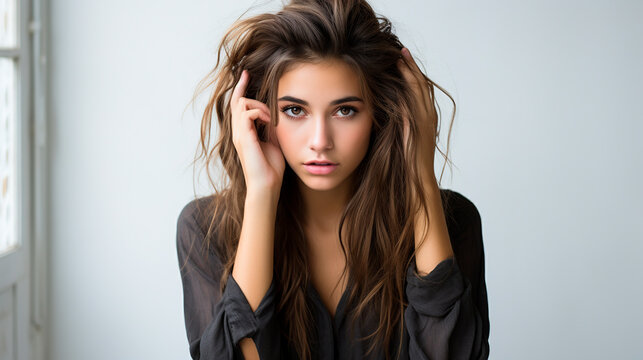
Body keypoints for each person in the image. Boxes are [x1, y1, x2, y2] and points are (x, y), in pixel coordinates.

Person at [176, 0, 490, 359]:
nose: (320, 141)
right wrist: (261, 194)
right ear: (260, 114)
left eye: (345, 110)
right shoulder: (206, 229)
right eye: (295, 110)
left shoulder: (454, 222)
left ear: (380, 113)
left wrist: (419, 172)